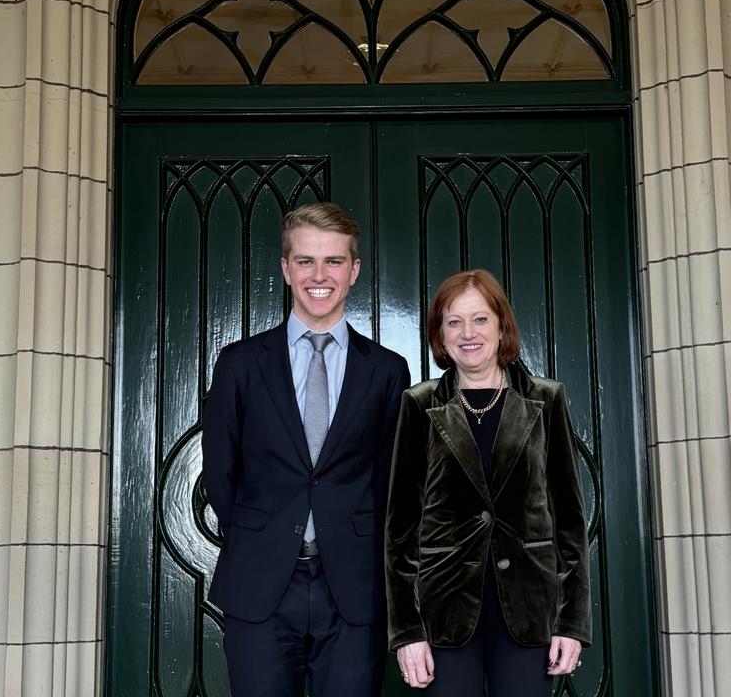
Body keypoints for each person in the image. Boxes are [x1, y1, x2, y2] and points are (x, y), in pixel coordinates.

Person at [202, 202, 410, 697]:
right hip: (260, 582)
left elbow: (392, 479)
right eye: (305, 261)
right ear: (286, 268)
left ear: (354, 270)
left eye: (334, 261)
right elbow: (219, 471)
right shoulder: (239, 364)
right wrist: (263, 536)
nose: (320, 276)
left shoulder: (387, 370)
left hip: (355, 587)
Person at [384, 269, 592, 695]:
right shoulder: (419, 405)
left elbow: (569, 521)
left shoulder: (546, 400)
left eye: (480, 319)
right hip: (442, 615)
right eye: (453, 322)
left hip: (529, 612)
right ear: (440, 335)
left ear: (501, 326)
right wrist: (407, 631)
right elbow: (400, 532)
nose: (468, 333)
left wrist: (571, 623)